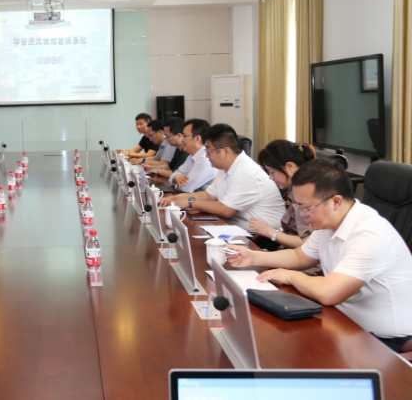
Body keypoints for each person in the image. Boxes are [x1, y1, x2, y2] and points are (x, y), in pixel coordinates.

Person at [227, 160, 412, 353]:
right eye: (298, 206)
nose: (302, 215)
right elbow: (300, 256)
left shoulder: (370, 234)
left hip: (384, 339)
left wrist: (291, 276)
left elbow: (329, 292)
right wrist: (253, 257)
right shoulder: (329, 222)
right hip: (345, 320)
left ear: (336, 202)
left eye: (306, 208)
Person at [162, 123, 284, 229]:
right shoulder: (225, 167)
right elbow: (208, 195)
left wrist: (190, 202)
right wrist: (176, 198)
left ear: (224, 151)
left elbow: (226, 210)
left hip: (261, 237)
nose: (206, 156)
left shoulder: (246, 170)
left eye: (208, 151)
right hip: (236, 226)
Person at [250, 140, 317, 248]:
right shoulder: (292, 190)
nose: (270, 178)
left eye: (272, 172)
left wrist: (269, 232)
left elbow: (308, 243)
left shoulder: (306, 196)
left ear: (290, 167)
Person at [164, 119, 218, 193]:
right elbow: (175, 174)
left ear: (197, 138)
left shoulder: (205, 159)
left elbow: (185, 188)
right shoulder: (192, 155)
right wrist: (176, 177)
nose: (182, 140)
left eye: (185, 136)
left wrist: (175, 180)